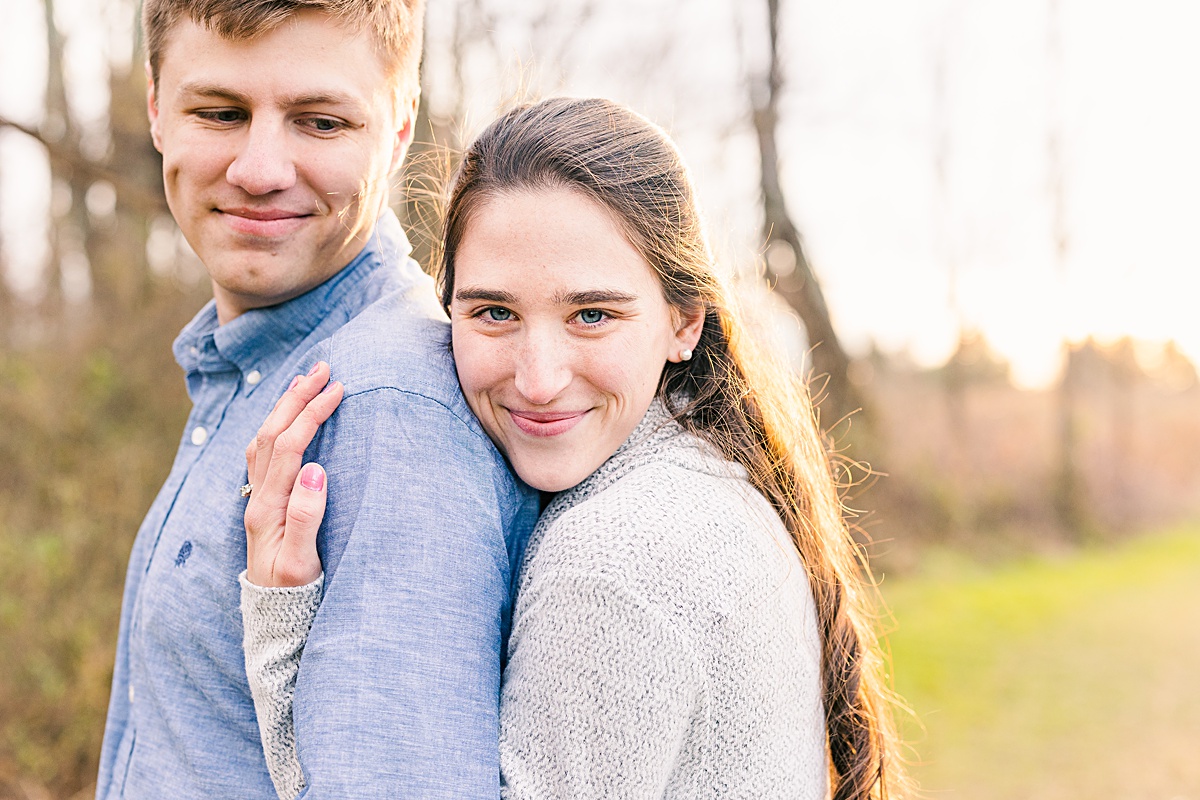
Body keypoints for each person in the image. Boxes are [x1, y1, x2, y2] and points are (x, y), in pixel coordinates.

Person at [240, 97, 908, 799]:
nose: (538, 378)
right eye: (495, 312)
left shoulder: (616, 557)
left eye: (592, 315)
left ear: (684, 321)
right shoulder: (712, 479)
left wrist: (280, 634)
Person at [96, 1, 539, 797]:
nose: (260, 170)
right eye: (221, 112)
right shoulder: (256, 367)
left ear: (400, 124)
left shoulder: (384, 408)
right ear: (157, 108)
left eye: (321, 122)